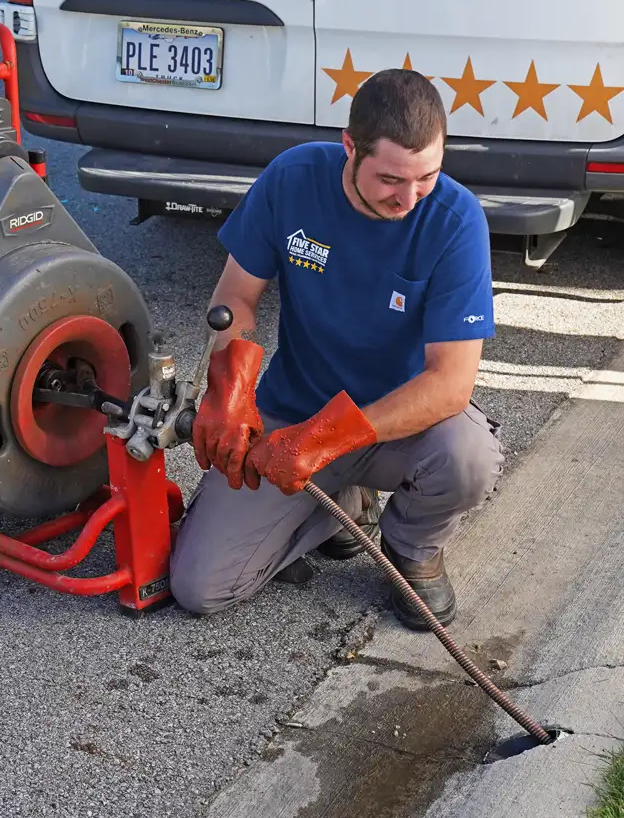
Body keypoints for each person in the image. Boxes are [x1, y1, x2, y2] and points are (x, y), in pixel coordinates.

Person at [170, 68, 504, 630]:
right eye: (393, 179)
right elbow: (235, 297)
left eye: (428, 176)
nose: (411, 197)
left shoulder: (454, 219)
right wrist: (230, 391)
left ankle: (411, 546)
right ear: (350, 147)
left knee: (469, 459)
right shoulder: (293, 178)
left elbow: (450, 383)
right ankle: (339, 509)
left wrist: (326, 440)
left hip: (399, 426)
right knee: (199, 587)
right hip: (293, 413)